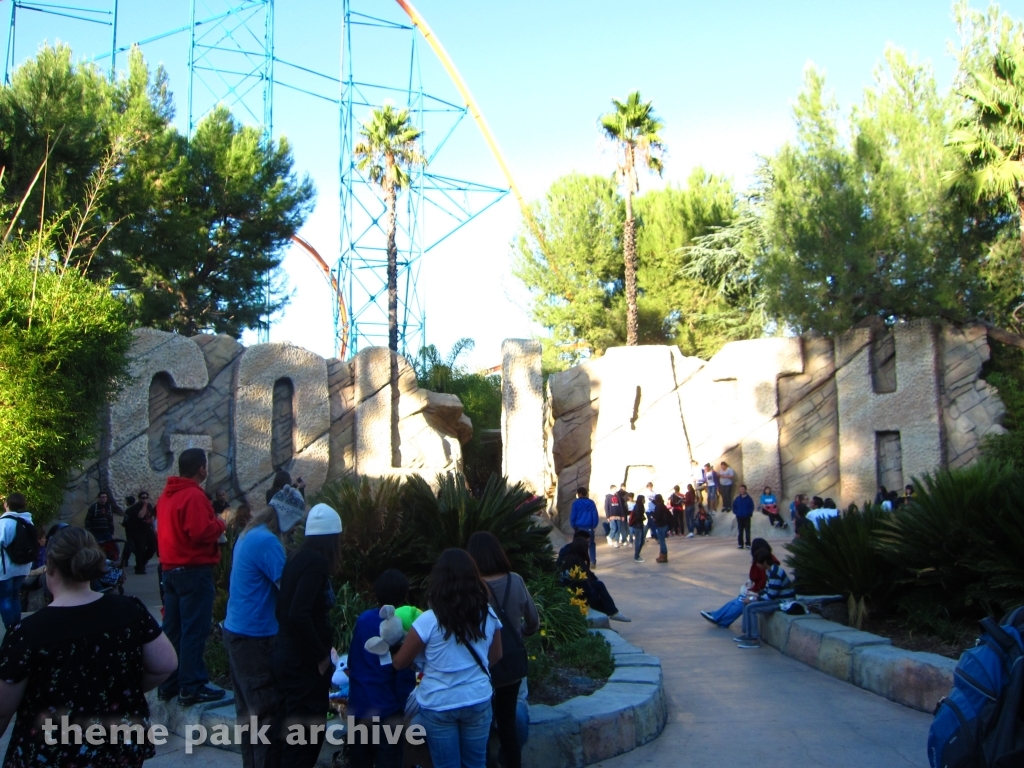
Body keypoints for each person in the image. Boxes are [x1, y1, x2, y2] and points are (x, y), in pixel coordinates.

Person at [0, 526, 178, 767]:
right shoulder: (130, 610)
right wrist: (118, 691)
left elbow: (3, 707)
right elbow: (165, 664)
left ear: (50, 568)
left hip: (52, 753)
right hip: (118, 747)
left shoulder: (28, 633)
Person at [392, 549, 503, 768]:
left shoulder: (429, 621)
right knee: (476, 763)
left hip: (439, 702)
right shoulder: (488, 614)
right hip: (477, 697)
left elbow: (400, 662)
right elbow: (497, 654)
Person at [224, 486, 305, 768]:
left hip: (238, 631)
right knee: (265, 714)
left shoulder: (250, 533)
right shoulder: (267, 542)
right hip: (255, 637)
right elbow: (289, 590)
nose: (295, 529)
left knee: (248, 714)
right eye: (294, 522)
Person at [268, 503, 342, 768]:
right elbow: (299, 613)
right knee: (304, 738)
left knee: (284, 730)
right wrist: (320, 656)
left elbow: (283, 609)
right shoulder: (316, 562)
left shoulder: (297, 556)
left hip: (287, 656)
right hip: (303, 665)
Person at [156, 447, 228, 706]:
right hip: (193, 570)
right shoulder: (193, 496)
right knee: (194, 630)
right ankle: (192, 685)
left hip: (170, 570)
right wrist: (221, 523)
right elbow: (200, 532)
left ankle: (169, 683)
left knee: (173, 629)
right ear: (201, 468)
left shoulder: (166, 496)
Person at [467, 532, 539, 768]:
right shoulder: (515, 580)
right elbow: (533, 621)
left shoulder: (473, 588)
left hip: (483, 664)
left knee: (482, 726)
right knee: (508, 724)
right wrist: (521, 635)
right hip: (512, 665)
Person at [346, 568, 418, 768]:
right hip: (388, 709)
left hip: (359, 706)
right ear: (404, 596)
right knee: (390, 759)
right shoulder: (403, 627)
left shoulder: (363, 620)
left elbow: (352, 661)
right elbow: (404, 672)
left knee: (359, 759)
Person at [700, 539, 774, 627]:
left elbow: (763, 583)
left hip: (764, 594)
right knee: (738, 599)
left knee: (741, 601)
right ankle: (717, 616)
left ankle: (722, 620)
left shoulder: (765, 564)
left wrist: (753, 594)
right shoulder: (763, 561)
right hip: (760, 591)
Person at [556, 534, 630, 622]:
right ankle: (613, 613)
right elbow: (583, 577)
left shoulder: (565, 556)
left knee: (597, 587)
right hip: (572, 590)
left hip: (569, 586)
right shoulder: (575, 559)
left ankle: (612, 613)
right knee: (596, 592)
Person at [735, 547, 796, 649]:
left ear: (764, 562)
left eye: (757, 563)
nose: (757, 566)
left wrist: (753, 599)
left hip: (782, 601)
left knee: (751, 608)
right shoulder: (769, 571)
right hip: (776, 599)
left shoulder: (775, 572)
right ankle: (747, 634)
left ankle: (754, 639)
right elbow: (767, 589)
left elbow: (771, 595)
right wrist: (754, 595)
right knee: (746, 603)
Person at [0, 493, 35, 630]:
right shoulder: (28, 521)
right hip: (22, 567)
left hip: (6, 568)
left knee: (5, 598)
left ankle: (10, 627)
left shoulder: (4, 522)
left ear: (7, 504)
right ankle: (17, 626)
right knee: (15, 596)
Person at [123, 490, 157, 574]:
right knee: (140, 550)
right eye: (143, 498)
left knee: (153, 547)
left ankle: (143, 561)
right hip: (139, 532)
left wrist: (154, 528)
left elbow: (151, 517)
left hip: (148, 530)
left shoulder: (149, 506)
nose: (145, 499)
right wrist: (144, 505)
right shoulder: (135, 508)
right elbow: (141, 515)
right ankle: (140, 568)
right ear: (139, 499)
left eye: (146, 497)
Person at [568, 487, 599, 566]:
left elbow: (573, 516)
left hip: (579, 528)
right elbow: (594, 515)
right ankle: (593, 561)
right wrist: (594, 525)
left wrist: (574, 526)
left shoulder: (576, 503)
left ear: (580, 494)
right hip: (589, 527)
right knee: (591, 544)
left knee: (578, 545)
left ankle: (580, 562)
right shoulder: (591, 502)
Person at [651, 494, 672, 564]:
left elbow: (658, 517)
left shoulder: (658, 507)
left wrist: (653, 515)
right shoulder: (663, 506)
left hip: (661, 525)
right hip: (665, 524)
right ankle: (662, 555)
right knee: (662, 540)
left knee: (662, 541)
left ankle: (664, 555)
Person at [732, 485, 755, 549]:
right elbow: (734, 506)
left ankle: (748, 544)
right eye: (740, 489)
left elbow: (751, 507)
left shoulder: (749, 499)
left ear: (745, 490)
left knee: (747, 531)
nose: (741, 490)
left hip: (747, 517)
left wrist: (748, 513)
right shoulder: (737, 499)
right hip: (739, 517)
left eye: (743, 489)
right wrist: (736, 512)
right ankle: (740, 544)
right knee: (740, 531)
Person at [628, 495, 646, 562]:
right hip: (637, 526)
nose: (644, 500)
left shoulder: (641, 506)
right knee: (638, 541)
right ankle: (636, 556)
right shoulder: (637, 506)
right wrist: (643, 518)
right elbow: (638, 517)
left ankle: (637, 555)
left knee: (642, 541)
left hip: (640, 525)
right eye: (643, 499)